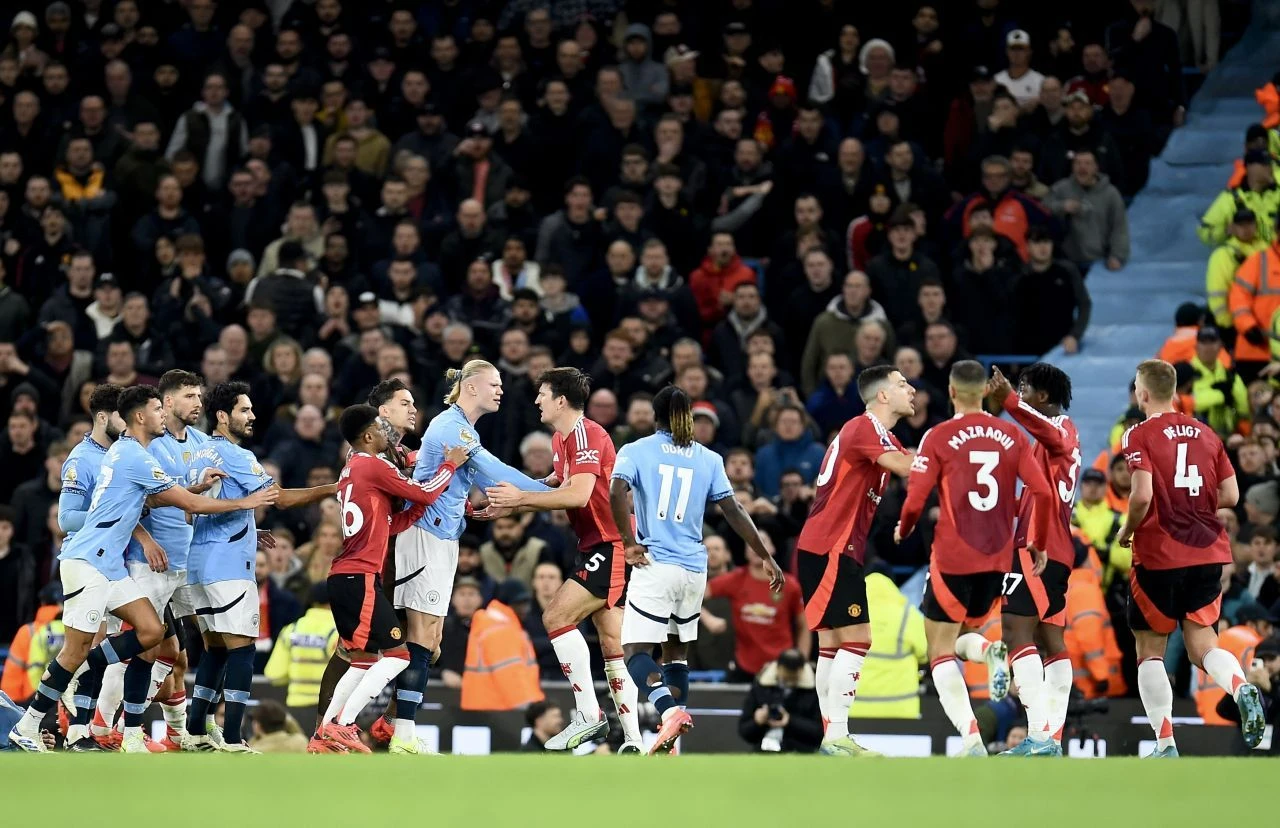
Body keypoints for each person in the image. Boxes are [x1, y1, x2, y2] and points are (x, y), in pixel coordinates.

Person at [7, 385, 279, 753]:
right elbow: (186, 504)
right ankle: (29, 723)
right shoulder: (133, 455)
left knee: (152, 630)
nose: (163, 415)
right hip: (88, 561)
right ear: (140, 417)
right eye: (156, 409)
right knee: (74, 650)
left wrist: (195, 487)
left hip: (109, 563)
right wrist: (248, 501)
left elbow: (158, 498)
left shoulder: (131, 452)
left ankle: (86, 671)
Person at [610, 385, 784, 754]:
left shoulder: (636, 450)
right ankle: (673, 741)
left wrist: (628, 541)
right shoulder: (708, 458)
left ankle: (669, 712)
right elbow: (733, 508)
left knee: (635, 653)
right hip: (694, 569)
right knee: (676, 655)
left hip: (655, 563)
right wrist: (765, 554)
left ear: (655, 417)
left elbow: (616, 490)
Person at [896, 360, 1055, 757]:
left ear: (951, 392)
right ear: (986, 391)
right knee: (963, 632)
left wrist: (905, 526)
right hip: (997, 561)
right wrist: (1039, 540)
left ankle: (970, 739)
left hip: (953, 558)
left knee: (939, 650)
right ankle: (989, 652)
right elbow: (1044, 493)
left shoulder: (938, 435)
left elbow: (916, 499)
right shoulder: (1011, 436)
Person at [386, 360, 546, 749]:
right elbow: (493, 470)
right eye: (494, 383)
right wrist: (548, 493)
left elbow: (459, 486)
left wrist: (537, 487)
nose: (501, 390)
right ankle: (400, 732)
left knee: (432, 639)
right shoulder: (450, 426)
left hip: (442, 538)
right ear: (470, 388)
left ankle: (392, 724)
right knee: (421, 638)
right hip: (424, 536)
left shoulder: (462, 428)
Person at [485, 367, 644, 752]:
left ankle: (589, 717)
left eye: (542, 394)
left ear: (560, 399)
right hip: (596, 544)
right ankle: (635, 740)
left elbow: (577, 495)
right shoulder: (561, 439)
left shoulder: (588, 434)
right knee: (611, 642)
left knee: (556, 617)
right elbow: (557, 483)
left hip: (612, 543)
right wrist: (508, 505)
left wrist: (520, 500)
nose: (536, 400)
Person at [1116, 359, 1267, 756]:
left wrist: (1126, 530)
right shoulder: (1206, 433)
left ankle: (1165, 744)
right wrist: (1192, 502)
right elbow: (1231, 496)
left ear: (1143, 393)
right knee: (1203, 643)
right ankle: (1240, 686)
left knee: (1149, 649)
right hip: (1207, 553)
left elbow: (1142, 495)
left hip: (1158, 554)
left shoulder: (1138, 435)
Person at [182, 382, 336, 753]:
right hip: (229, 567)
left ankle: (195, 729)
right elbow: (279, 498)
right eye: (244, 410)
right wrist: (335, 486)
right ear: (223, 416)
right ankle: (233, 737)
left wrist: (250, 526)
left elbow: (210, 505)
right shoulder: (239, 456)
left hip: (200, 563)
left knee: (216, 647)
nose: (252, 416)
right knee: (242, 649)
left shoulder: (200, 451)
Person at [313, 405, 466, 755]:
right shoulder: (373, 463)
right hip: (360, 577)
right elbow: (426, 492)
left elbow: (385, 524)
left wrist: (415, 512)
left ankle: (325, 732)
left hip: (345, 576)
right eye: (381, 429)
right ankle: (343, 725)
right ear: (368, 436)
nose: (387, 435)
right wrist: (450, 465)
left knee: (362, 658)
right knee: (398, 655)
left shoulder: (351, 469)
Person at [793, 364, 916, 756]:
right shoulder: (863, 428)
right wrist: (954, 453)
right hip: (832, 545)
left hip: (830, 546)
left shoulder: (882, 436)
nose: (911, 389)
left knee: (831, 644)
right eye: (901, 384)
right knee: (859, 639)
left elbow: (910, 465)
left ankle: (834, 737)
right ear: (882, 395)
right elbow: (909, 468)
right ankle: (838, 734)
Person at [90, 371, 213, 752]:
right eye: (188, 396)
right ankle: (105, 724)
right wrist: (145, 539)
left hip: (183, 557)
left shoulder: (191, 443)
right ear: (167, 403)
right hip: (150, 562)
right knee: (145, 645)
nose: (197, 403)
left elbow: (180, 499)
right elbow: (136, 503)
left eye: (199, 395)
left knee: (173, 652)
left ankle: (168, 731)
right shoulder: (147, 447)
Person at [986, 363, 1080, 755]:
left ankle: (1039, 735)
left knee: (1014, 632)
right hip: (1052, 547)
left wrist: (1007, 399)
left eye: (1024, 388)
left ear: (1043, 397)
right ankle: (1051, 737)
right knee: (1049, 640)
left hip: (1037, 548)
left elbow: (1039, 427)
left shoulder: (1060, 431)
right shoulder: (1051, 444)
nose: (1019, 393)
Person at [738, 648, 823, 753]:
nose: (788, 682)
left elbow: (819, 732)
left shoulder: (814, 692)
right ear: (777, 668)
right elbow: (744, 731)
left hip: (800, 752)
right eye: (786, 677)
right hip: (764, 751)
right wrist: (757, 722)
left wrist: (790, 721)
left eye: (793, 678)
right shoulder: (761, 688)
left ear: (802, 671)